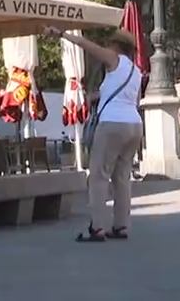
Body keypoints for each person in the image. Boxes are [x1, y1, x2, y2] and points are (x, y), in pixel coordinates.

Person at [45, 26, 142, 242]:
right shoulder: (135, 71)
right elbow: (133, 100)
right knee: (122, 177)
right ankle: (121, 226)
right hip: (134, 125)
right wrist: (96, 95)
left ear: (116, 45)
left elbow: (86, 45)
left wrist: (61, 34)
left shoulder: (114, 59)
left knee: (99, 176)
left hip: (112, 124)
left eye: (110, 43)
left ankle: (97, 227)